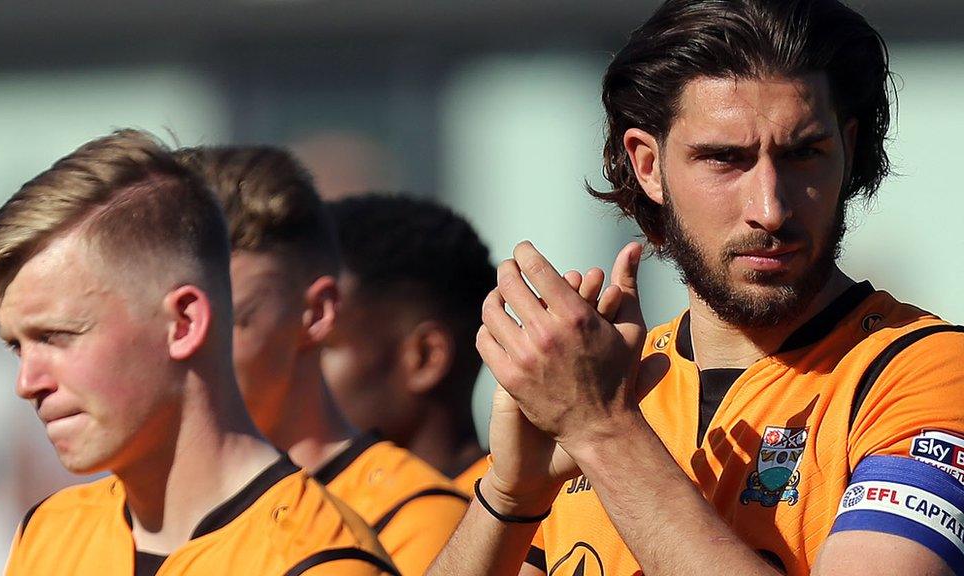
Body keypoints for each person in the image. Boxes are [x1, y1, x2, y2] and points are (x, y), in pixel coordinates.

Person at [427, 1, 964, 575]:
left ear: (849, 150)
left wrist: (602, 431)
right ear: (648, 166)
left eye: (803, 154)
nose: (770, 208)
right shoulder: (613, 385)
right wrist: (511, 498)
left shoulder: (926, 373)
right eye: (724, 159)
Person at [0, 130, 396, 576]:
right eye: (17, 346)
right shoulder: (49, 534)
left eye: (57, 336)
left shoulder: (319, 562)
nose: (26, 383)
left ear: (185, 323)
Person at [175, 146, 469, 576]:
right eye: (174, 321)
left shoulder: (418, 520)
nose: (186, 348)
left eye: (228, 322)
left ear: (316, 314)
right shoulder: (90, 514)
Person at [324, 193, 496, 493]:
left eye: (321, 348)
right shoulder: (309, 518)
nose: (288, 373)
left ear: (425, 356)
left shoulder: (532, 526)